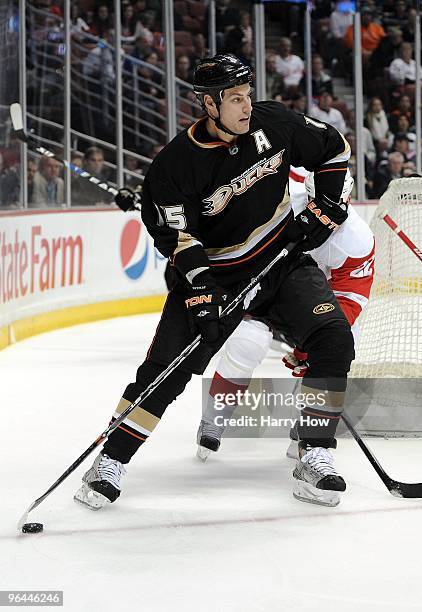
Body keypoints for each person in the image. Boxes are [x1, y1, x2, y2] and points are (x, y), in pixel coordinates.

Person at [74, 54, 354, 511]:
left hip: (281, 262)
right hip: (216, 275)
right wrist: (202, 293)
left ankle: (315, 450)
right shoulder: (174, 166)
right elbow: (176, 237)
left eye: (247, 95)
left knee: (333, 337)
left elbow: (334, 148)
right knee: (165, 370)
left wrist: (326, 206)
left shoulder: (275, 124)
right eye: (235, 98)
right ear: (209, 103)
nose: (247, 106)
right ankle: (112, 459)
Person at [197, 169, 375, 466]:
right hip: (268, 292)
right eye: (319, 201)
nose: (328, 212)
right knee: (248, 342)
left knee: (336, 345)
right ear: (307, 192)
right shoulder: (278, 204)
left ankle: (308, 436)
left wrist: (308, 347)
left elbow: (350, 297)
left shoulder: (356, 239)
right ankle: (215, 415)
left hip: (315, 305)